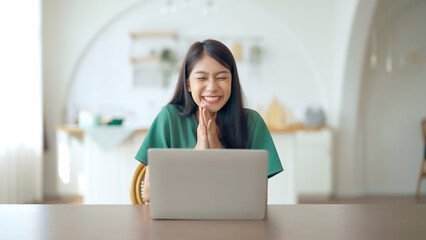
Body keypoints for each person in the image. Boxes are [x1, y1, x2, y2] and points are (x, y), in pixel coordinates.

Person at [135, 39, 283, 204]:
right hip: (177, 225)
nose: (212, 87)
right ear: (188, 84)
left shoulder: (252, 122)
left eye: (221, 78)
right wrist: (198, 153)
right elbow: (149, 193)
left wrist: (217, 150)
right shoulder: (169, 118)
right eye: (202, 78)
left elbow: (257, 199)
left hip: (235, 226)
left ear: (232, 82)